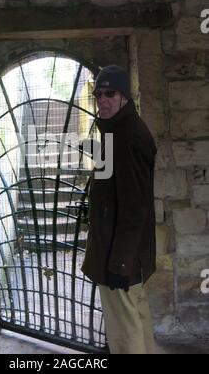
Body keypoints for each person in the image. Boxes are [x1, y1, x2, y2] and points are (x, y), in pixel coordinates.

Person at [81, 65, 158, 355]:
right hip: (124, 253)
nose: (102, 99)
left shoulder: (127, 138)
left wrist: (120, 265)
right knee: (137, 318)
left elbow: (133, 211)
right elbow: (111, 192)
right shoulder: (117, 132)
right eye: (98, 94)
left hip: (120, 256)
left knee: (124, 334)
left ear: (124, 97)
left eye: (110, 93)